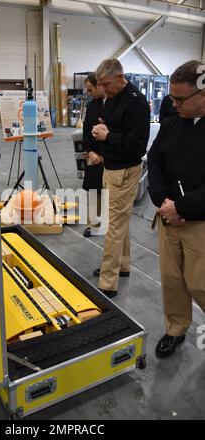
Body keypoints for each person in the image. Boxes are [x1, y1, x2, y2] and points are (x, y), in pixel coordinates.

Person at [148, 60, 205, 358]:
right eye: (171, 97)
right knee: (172, 281)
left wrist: (182, 206)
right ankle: (176, 327)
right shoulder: (172, 123)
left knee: (200, 283)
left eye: (180, 98)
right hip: (168, 219)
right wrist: (162, 201)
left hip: (199, 223)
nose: (173, 103)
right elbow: (154, 161)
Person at [90, 58, 150, 298]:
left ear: (119, 77)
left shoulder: (136, 103)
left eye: (106, 84)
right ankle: (122, 265)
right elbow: (114, 126)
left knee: (113, 225)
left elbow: (137, 146)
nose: (103, 90)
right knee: (119, 219)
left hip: (125, 170)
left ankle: (108, 280)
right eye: (100, 85)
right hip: (111, 167)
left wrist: (108, 137)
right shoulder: (113, 98)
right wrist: (102, 131)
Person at [82, 73, 106, 237]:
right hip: (93, 155)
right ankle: (94, 224)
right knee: (92, 191)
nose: (89, 93)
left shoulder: (113, 104)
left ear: (99, 85)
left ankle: (107, 223)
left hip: (110, 158)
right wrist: (90, 152)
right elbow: (85, 132)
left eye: (90, 89)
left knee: (108, 193)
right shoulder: (92, 105)